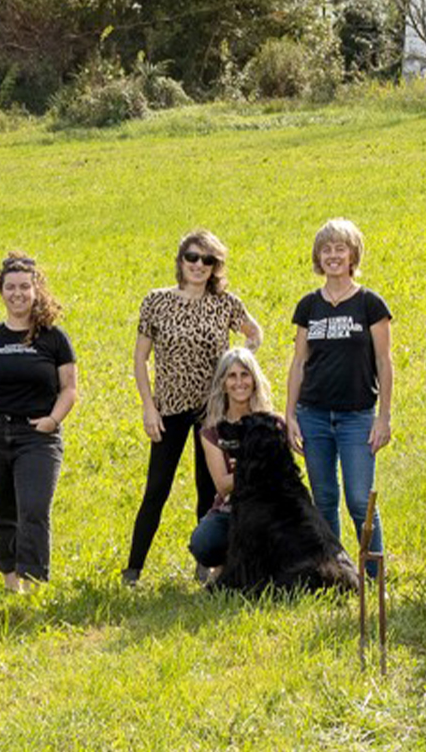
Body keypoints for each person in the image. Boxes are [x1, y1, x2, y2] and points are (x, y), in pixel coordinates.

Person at [126, 229, 262, 586]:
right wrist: (147, 407)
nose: (199, 265)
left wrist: (240, 362)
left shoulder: (225, 303)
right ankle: (133, 570)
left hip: (210, 411)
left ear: (216, 266)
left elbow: (255, 333)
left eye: (208, 260)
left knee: (209, 488)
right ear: (180, 261)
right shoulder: (156, 301)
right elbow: (140, 359)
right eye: (192, 257)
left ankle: (205, 566)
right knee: (157, 488)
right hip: (168, 408)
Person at [284, 218, 393, 574]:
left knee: (361, 500)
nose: (333, 256)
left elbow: (383, 361)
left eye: (340, 249)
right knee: (325, 500)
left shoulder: (370, 304)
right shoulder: (308, 306)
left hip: (357, 416)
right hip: (313, 415)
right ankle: (334, 574)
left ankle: (374, 577)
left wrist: (383, 417)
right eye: (326, 249)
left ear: (352, 255)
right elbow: (299, 362)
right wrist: (290, 416)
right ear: (318, 257)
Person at [0, 253, 76, 593]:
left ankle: (34, 583)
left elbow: (69, 388)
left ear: (36, 290)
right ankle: (12, 583)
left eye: (25, 287)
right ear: (1, 291)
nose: (17, 294)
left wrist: (53, 420)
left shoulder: (54, 338)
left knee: (34, 509)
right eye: (10, 287)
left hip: (37, 437)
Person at [189, 347, 282, 581]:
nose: (239, 382)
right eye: (232, 376)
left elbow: (283, 476)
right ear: (222, 383)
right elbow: (222, 485)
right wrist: (258, 466)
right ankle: (226, 563)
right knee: (203, 542)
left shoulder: (274, 424)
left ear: (254, 380)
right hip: (229, 509)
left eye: (244, 375)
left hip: (269, 508)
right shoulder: (211, 431)